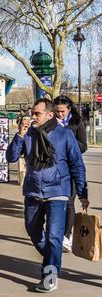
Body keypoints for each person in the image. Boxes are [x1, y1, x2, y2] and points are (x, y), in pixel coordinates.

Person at [6, 98, 89, 293]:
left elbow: (77, 164)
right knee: (33, 231)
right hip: (33, 192)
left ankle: (50, 274)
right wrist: (19, 135)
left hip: (58, 191)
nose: (32, 117)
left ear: (50, 115)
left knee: (53, 236)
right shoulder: (27, 134)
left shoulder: (64, 135)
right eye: (32, 113)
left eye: (37, 114)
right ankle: (53, 256)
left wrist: (83, 192)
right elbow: (11, 157)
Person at [53, 95, 87, 253]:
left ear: (69, 109)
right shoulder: (51, 123)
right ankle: (57, 233)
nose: (60, 114)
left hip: (71, 166)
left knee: (69, 201)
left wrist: (67, 138)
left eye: (62, 111)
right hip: (55, 168)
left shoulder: (76, 123)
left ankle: (67, 235)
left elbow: (83, 146)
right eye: (57, 111)